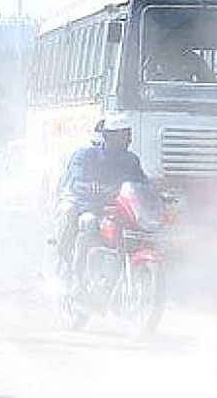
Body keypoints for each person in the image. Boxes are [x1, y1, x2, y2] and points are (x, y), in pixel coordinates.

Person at [54, 113, 149, 278]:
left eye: (128, 135)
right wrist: (89, 188)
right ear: (108, 137)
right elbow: (76, 183)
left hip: (117, 209)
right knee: (87, 221)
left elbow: (141, 182)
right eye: (122, 136)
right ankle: (71, 271)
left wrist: (156, 194)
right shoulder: (85, 156)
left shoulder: (131, 160)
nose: (128, 141)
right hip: (86, 205)